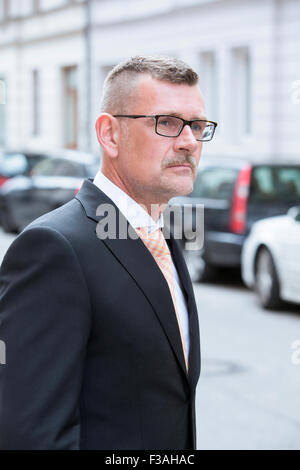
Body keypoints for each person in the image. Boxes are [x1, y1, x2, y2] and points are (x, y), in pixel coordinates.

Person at [0, 56, 217, 450]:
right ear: (110, 134)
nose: (189, 141)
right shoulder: (54, 248)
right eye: (166, 122)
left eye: (198, 125)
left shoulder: (163, 237)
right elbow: (29, 434)